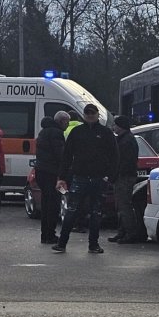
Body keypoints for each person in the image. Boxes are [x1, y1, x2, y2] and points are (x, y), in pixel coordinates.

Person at [53, 103, 118, 254]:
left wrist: (110, 176)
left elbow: (115, 156)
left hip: (98, 178)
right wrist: (61, 177)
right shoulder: (76, 132)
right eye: (87, 113)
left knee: (95, 212)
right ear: (84, 115)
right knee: (72, 210)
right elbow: (67, 156)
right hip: (81, 176)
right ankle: (62, 243)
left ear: (97, 115)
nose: (90, 116)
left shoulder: (106, 133)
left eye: (92, 113)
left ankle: (93, 244)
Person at [35, 111, 68, 242]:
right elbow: (60, 154)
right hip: (52, 174)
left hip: (41, 172)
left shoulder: (43, 132)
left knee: (46, 204)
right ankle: (50, 234)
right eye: (67, 121)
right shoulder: (56, 133)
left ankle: (45, 234)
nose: (68, 124)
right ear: (61, 121)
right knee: (53, 205)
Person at [108, 115, 141, 244]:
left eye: (115, 125)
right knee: (120, 206)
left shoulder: (126, 141)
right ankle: (122, 232)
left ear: (121, 126)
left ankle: (130, 233)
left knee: (124, 205)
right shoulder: (124, 139)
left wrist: (115, 174)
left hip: (124, 177)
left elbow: (124, 162)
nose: (114, 127)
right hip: (122, 176)